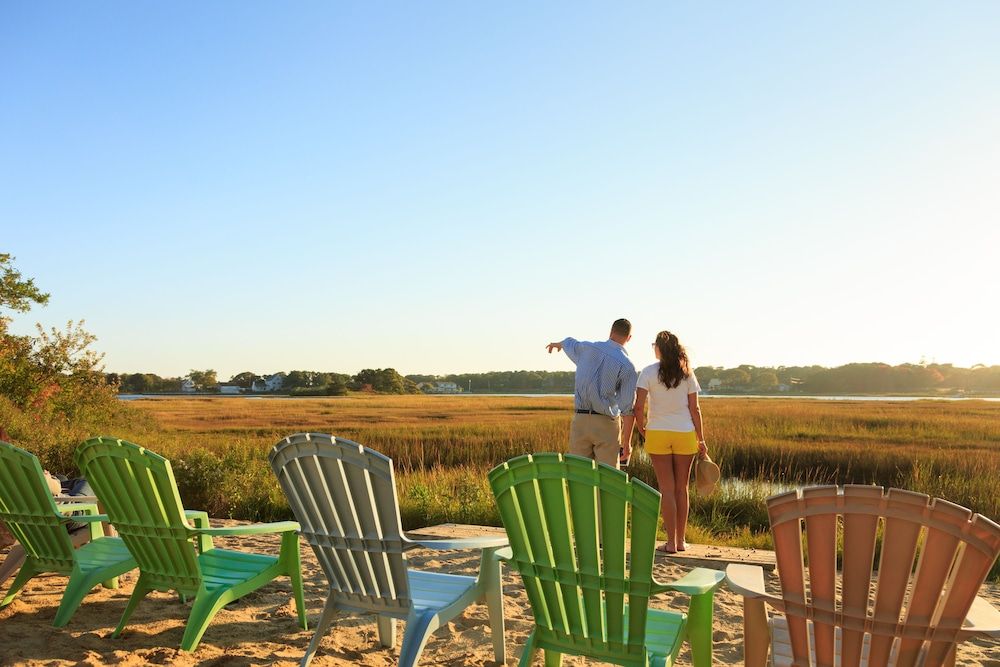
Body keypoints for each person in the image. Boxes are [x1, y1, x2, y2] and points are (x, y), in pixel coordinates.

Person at [633, 330, 706, 554]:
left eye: (654, 344)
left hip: (657, 433)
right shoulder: (687, 374)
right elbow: (695, 409)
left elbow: (638, 406)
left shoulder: (647, 372)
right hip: (684, 433)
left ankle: (671, 543)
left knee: (666, 489)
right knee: (681, 489)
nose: (653, 347)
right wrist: (701, 438)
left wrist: (641, 428)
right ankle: (682, 541)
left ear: (660, 348)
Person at [546, 318, 638, 469]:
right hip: (606, 424)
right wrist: (627, 443)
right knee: (609, 480)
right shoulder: (627, 366)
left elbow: (569, 341)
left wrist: (558, 344)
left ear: (611, 332)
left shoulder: (586, 348)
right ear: (629, 338)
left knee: (579, 476)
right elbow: (628, 409)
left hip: (580, 420)